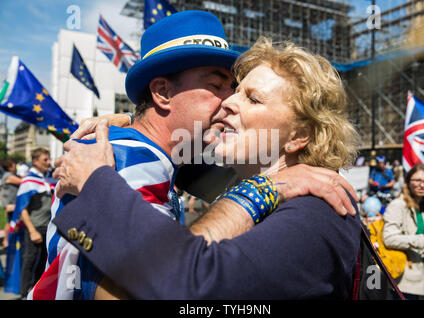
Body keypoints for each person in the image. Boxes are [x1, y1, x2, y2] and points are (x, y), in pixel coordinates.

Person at [30, 11, 356, 300]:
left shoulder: (318, 208)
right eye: (220, 86)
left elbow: (184, 281)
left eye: (250, 97)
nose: (228, 101)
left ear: (300, 135)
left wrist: (95, 180)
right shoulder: (128, 158)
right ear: (163, 93)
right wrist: (131, 124)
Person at [383, 164, 424, 300]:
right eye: (417, 180)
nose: (422, 185)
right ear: (408, 182)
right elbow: (389, 238)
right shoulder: (398, 205)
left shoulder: (422, 207)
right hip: (404, 281)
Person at [5, 148, 53, 297]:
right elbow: (22, 209)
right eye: (45, 159)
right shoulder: (28, 181)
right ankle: (24, 293)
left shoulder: (47, 179)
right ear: (35, 161)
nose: (48, 162)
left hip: (48, 228)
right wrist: (32, 230)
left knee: (44, 262)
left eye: (48, 159)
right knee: (29, 261)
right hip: (35, 228)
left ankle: (37, 291)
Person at [1, 159, 22, 248]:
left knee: (11, 221)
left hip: (13, 203)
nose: (16, 167)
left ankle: (8, 240)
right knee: (10, 222)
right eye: (14, 165)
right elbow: (21, 181)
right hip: (10, 204)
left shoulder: (10, 175)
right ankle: (6, 241)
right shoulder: (8, 176)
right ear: (9, 167)